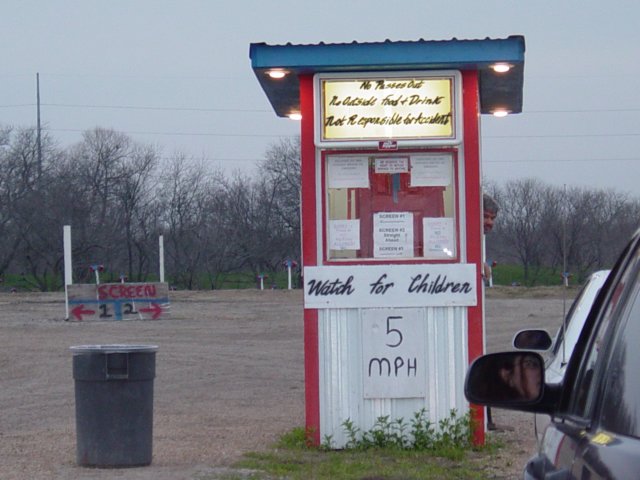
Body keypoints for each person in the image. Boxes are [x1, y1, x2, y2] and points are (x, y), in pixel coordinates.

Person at [483, 192, 500, 429]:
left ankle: (487, 419)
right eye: (485, 217)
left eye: (493, 218)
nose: (489, 223)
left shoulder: (480, 241)